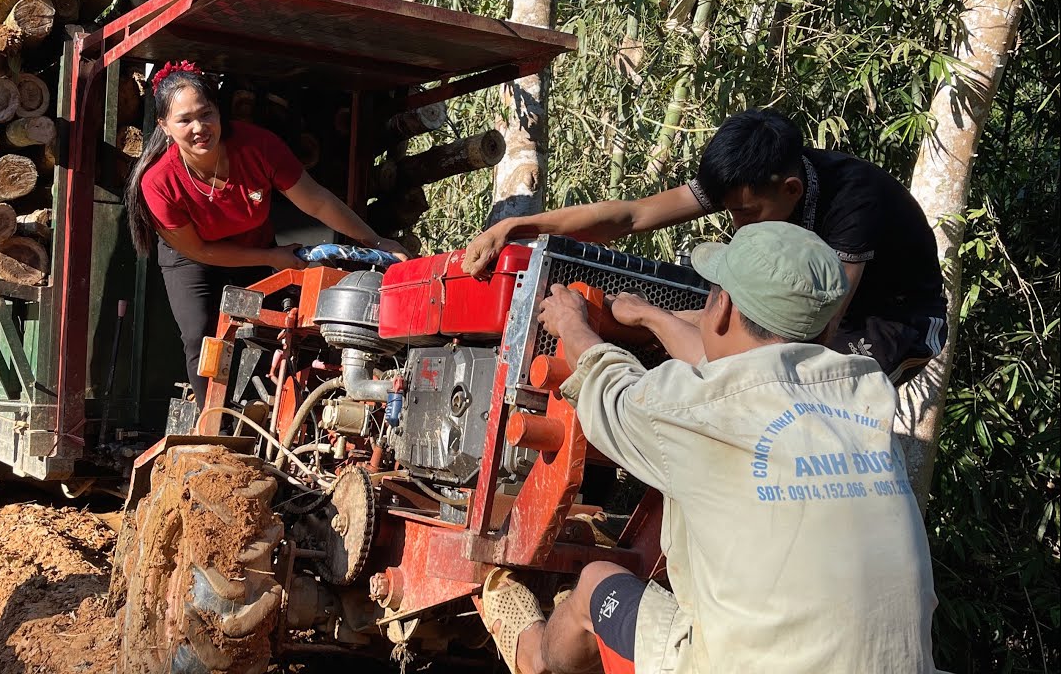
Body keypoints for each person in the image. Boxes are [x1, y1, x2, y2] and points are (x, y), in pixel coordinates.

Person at [477, 222, 938, 674]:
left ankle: (535, 657)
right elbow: (751, 376)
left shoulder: (697, 410)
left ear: (720, 307)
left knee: (596, 582)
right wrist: (651, 316)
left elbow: (607, 386)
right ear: (824, 327)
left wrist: (572, 324)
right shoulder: (865, 397)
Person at [462, 108, 946, 385]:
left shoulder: (855, 202)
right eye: (728, 210)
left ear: (792, 191)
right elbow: (631, 215)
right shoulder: (747, 181)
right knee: (701, 325)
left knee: (777, 378)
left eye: (746, 214)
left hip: (892, 320)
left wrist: (658, 320)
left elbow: (815, 329)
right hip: (804, 304)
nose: (736, 224)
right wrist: (521, 226)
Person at [126, 61, 409, 405]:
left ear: (219, 112)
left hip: (253, 246)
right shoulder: (158, 181)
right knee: (201, 334)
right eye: (184, 120)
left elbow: (317, 201)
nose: (199, 127)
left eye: (206, 114)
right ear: (165, 126)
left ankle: (279, 418)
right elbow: (199, 249)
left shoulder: (258, 146)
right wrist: (271, 258)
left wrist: (374, 240)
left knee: (285, 325)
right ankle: (212, 424)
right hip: (193, 259)